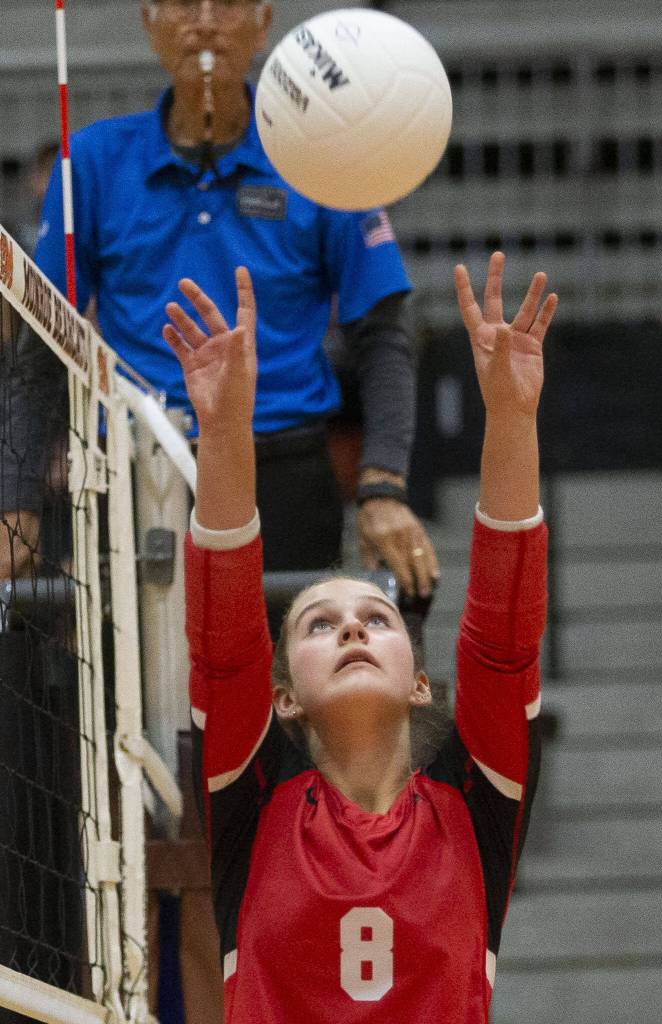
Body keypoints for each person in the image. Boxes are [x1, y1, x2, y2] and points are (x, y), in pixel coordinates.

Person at [166, 251, 557, 1022]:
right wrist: (223, 432)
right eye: (320, 623)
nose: (352, 624)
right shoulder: (254, 797)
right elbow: (227, 640)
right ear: (283, 699)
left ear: (420, 681)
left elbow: (503, 641)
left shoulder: (473, 802)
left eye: (376, 618)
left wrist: (511, 417)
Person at [1, 0, 438, 602]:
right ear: (149, 24)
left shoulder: (322, 152)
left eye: (227, 4)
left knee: (283, 684)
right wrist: (15, 500)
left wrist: (383, 487)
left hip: (284, 474)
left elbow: (386, 335)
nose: (204, 20)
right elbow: (41, 347)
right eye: (182, 3)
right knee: (125, 690)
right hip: (131, 477)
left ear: (263, 27)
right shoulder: (92, 162)